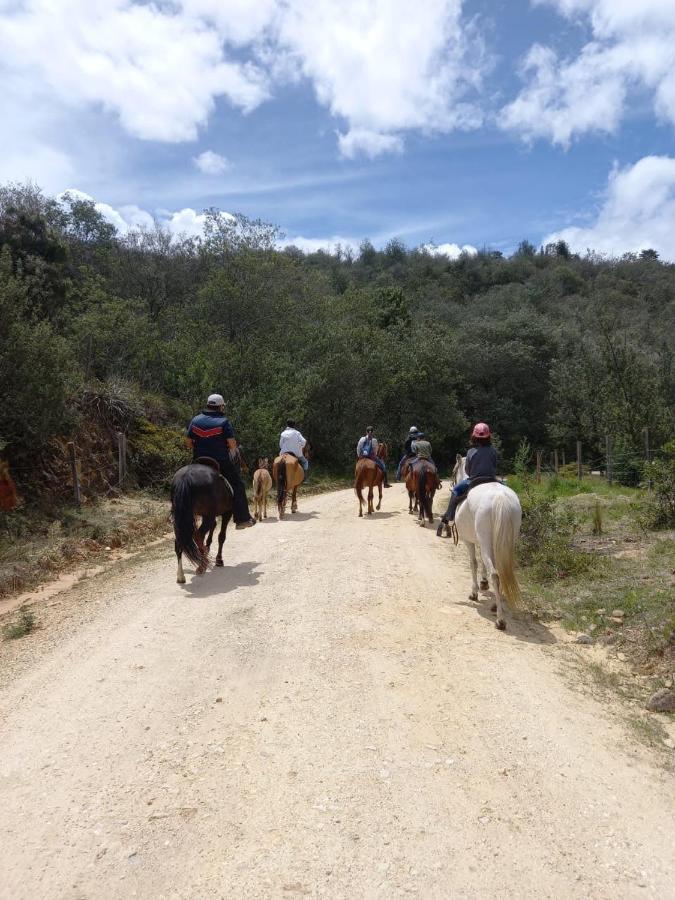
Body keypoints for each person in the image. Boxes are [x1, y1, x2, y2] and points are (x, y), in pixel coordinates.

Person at [187, 394, 256, 529]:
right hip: (220, 461)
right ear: (220, 406)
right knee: (237, 485)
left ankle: (175, 512)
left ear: (208, 405)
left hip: (199, 460)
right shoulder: (224, 422)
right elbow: (232, 444)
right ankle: (242, 519)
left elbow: (188, 443)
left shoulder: (195, 420)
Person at [441, 422, 498, 525]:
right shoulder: (493, 451)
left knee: (455, 490)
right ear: (488, 436)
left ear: (474, 437)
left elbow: (467, 470)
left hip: (474, 481)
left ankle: (449, 516)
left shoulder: (471, 452)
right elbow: (494, 466)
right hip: (492, 479)